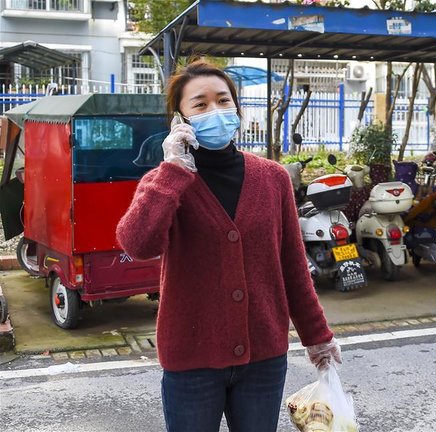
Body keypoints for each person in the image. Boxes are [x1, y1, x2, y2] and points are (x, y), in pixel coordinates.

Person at [116, 60, 341, 432]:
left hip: (264, 358)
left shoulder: (272, 179)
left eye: (223, 101)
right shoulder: (165, 181)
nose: (215, 111)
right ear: (180, 119)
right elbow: (137, 243)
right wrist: (173, 171)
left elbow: (292, 266)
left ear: (237, 108)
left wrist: (317, 336)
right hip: (191, 360)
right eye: (200, 104)